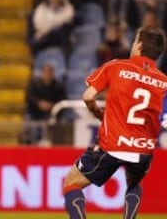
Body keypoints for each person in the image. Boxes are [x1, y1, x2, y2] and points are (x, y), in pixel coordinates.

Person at [63, 25, 167, 219]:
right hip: (142, 151)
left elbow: (87, 96)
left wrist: (98, 114)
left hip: (111, 145)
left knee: (71, 183)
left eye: (135, 39)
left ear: (139, 46)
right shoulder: (164, 82)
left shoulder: (116, 66)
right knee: (134, 183)